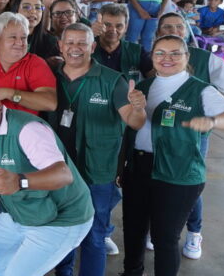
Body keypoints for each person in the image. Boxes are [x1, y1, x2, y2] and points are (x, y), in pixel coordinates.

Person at [120, 36, 224, 276]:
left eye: (175, 53)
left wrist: (213, 121)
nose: (167, 59)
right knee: (133, 231)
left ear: (187, 57)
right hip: (139, 167)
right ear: (152, 57)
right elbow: (130, 129)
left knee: (164, 237)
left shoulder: (200, 90)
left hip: (178, 172)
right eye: (160, 53)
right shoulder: (142, 87)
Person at [0, 84, 94, 276]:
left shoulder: (27, 130)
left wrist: (20, 181)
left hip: (63, 219)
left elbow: (63, 174)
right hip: (20, 214)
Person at [46, 24, 142, 276]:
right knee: (63, 234)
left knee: (94, 236)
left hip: (98, 172)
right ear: (60, 46)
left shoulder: (112, 81)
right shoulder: (49, 77)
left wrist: (138, 107)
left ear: (92, 47)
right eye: (70, 43)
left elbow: (134, 121)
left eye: (82, 43)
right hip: (59, 172)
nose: (75, 48)